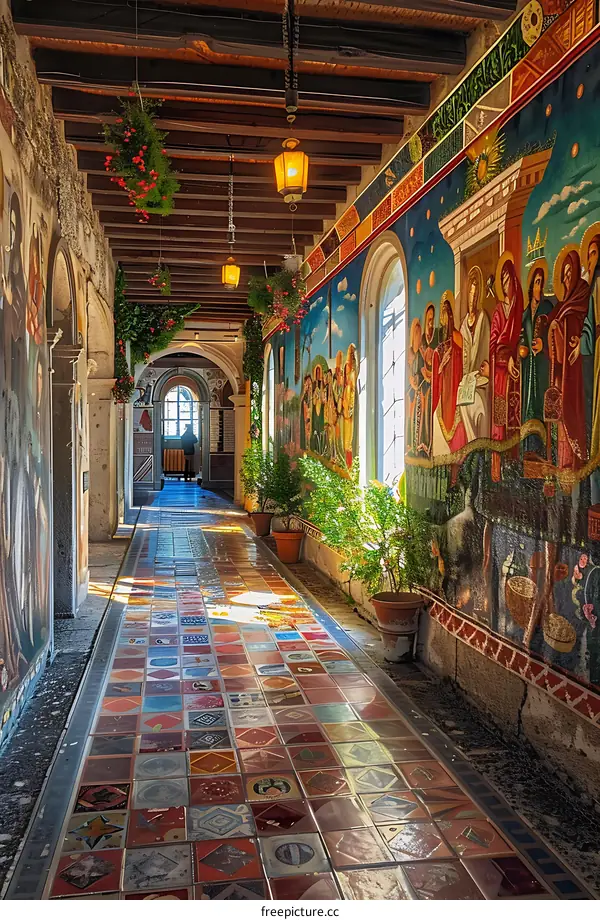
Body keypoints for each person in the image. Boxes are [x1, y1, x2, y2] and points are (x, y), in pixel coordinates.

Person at [547, 249, 590, 471]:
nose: (565, 278)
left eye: (568, 272)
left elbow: (585, 328)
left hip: (577, 372)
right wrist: (553, 327)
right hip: (562, 373)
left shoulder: (583, 296)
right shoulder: (563, 305)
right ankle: (563, 467)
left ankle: (574, 466)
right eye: (563, 274)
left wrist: (572, 337)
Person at [490, 254, 524, 481]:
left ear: (513, 280)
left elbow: (524, 335)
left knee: (517, 420)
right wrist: (507, 358)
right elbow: (493, 347)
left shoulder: (519, 308)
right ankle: (497, 472)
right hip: (502, 375)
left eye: (507, 279)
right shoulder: (499, 312)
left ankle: (515, 471)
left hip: (518, 375)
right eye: (501, 281)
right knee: (500, 422)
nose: (504, 285)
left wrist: (517, 354)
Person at [520, 261, 553, 458]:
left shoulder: (547, 307)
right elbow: (521, 336)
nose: (539, 286)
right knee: (528, 406)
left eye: (542, 282)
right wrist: (521, 347)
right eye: (537, 282)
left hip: (541, 365)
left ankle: (543, 451)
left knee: (541, 403)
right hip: (527, 367)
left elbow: (554, 333)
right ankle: (528, 451)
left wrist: (544, 345)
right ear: (532, 286)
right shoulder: (525, 313)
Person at [458, 266, 490, 443]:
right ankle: (471, 445)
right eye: (469, 294)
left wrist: (482, 370)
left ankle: (480, 446)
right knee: (462, 403)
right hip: (466, 379)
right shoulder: (464, 324)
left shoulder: (483, 318)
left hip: (480, 377)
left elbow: (485, 350)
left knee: (479, 404)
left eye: (475, 294)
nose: (472, 298)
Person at [431, 294, 465, 456]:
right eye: (442, 312)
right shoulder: (438, 349)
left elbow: (463, 363)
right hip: (443, 392)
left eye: (447, 311)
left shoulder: (457, 337)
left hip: (455, 388)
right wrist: (441, 364)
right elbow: (436, 375)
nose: (445, 316)